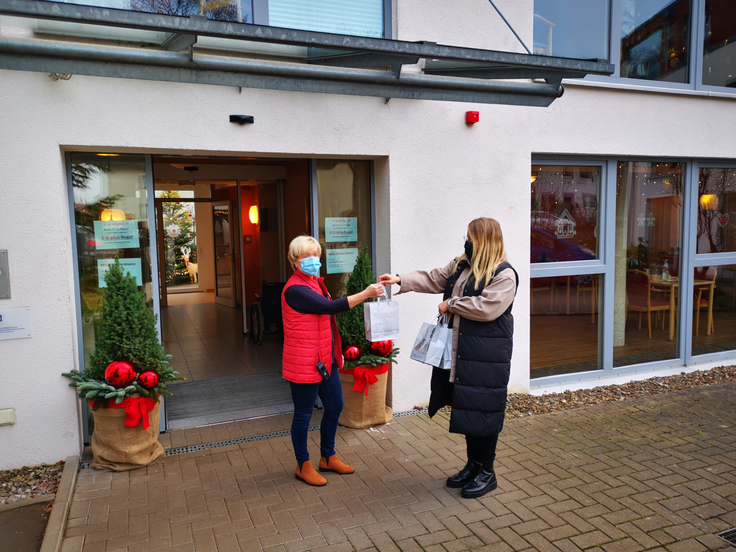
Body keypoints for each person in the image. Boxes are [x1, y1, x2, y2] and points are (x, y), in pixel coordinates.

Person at [380, 217, 518, 499]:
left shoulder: (504, 275)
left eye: (470, 237)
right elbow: (434, 278)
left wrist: (451, 303)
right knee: (467, 407)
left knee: (484, 411)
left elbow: (487, 307)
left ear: (484, 240)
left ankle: (487, 472)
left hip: (486, 357)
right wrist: (399, 279)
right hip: (462, 354)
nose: (466, 241)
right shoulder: (462, 264)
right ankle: (473, 465)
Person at [282, 235, 384, 487]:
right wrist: (366, 293)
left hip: (325, 360)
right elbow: (330, 308)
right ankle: (302, 464)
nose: (314, 260)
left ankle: (327, 457)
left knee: (335, 407)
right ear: (295, 261)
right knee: (304, 415)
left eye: (316, 255)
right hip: (304, 362)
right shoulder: (296, 289)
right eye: (307, 256)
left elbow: (326, 322)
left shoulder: (317, 283)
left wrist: (336, 352)